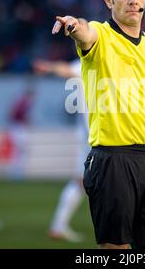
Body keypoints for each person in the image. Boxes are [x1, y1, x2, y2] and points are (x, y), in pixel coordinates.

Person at [51, 0, 145, 249]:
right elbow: (86, 34)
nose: (133, 0)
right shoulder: (100, 35)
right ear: (109, 0)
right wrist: (75, 26)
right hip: (112, 162)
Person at [33, 59, 88, 243]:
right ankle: (58, 226)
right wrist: (49, 67)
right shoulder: (92, 59)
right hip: (96, 136)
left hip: (97, 135)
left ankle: (58, 226)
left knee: (83, 182)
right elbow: (67, 70)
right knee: (83, 181)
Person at [7, 86, 35, 180]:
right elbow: (18, 115)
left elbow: (12, 114)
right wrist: (26, 120)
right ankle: (17, 172)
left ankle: (17, 172)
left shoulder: (21, 102)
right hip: (18, 127)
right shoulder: (24, 102)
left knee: (19, 151)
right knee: (21, 150)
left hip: (17, 127)